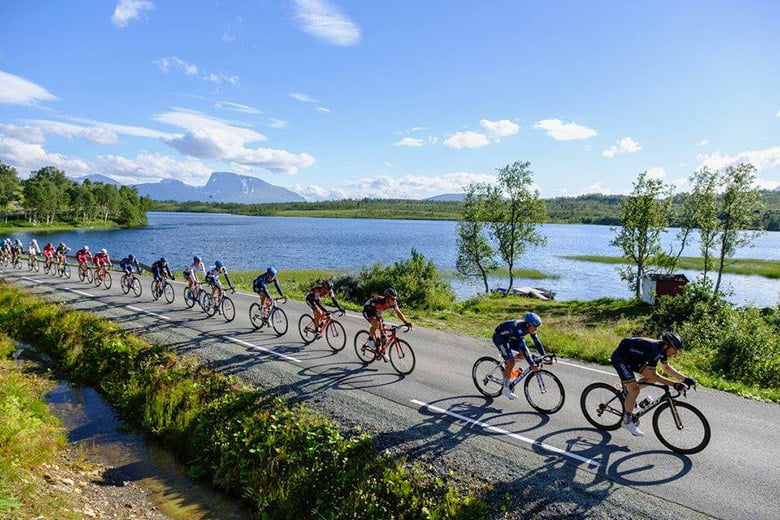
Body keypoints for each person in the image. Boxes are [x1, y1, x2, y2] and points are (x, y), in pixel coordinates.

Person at [611, 332, 696, 436]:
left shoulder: (662, 350)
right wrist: (674, 384)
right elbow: (654, 374)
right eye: (675, 349)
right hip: (620, 358)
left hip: (633, 358)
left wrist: (685, 379)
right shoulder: (654, 350)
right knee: (635, 389)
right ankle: (627, 421)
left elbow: (666, 368)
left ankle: (628, 393)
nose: (676, 353)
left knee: (650, 380)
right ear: (667, 346)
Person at [492, 312, 547, 400]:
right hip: (500, 337)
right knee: (511, 361)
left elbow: (536, 341)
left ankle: (508, 367)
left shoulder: (528, 328)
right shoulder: (519, 329)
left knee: (521, 355)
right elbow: (524, 347)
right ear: (528, 325)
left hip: (511, 337)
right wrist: (532, 364)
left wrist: (544, 356)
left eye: (537, 327)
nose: (536, 329)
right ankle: (505, 389)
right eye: (535, 327)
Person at [362, 288, 411, 359]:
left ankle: (382, 352)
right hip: (368, 310)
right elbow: (378, 319)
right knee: (376, 325)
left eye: (395, 298)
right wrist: (382, 332)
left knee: (383, 335)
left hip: (377, 311)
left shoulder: (393, 302)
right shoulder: (380, 302)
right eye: (392, 298)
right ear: (387, 298)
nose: (394, 300)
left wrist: (406, 322)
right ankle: (370, 339)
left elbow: (399, 313)